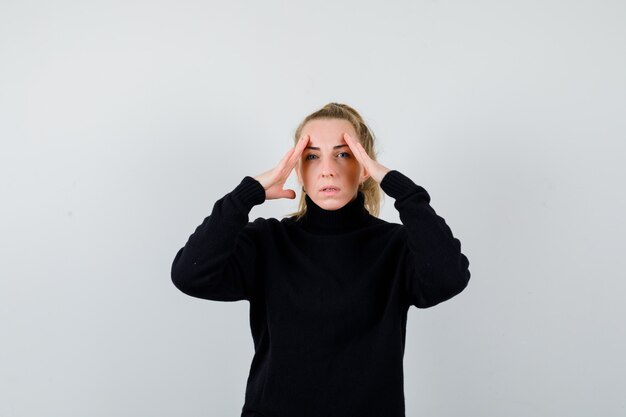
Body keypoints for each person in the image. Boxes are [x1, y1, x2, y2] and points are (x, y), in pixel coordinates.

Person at [171, 103, 471, 417]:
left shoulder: (394, 246)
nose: (327, 169)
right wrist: (245, 196)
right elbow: (190, 274)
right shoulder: (267, 241)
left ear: (365, 167)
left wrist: (402, 188)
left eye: (344, 154)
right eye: (312, 156)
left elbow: (449, 277)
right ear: (298, 170)